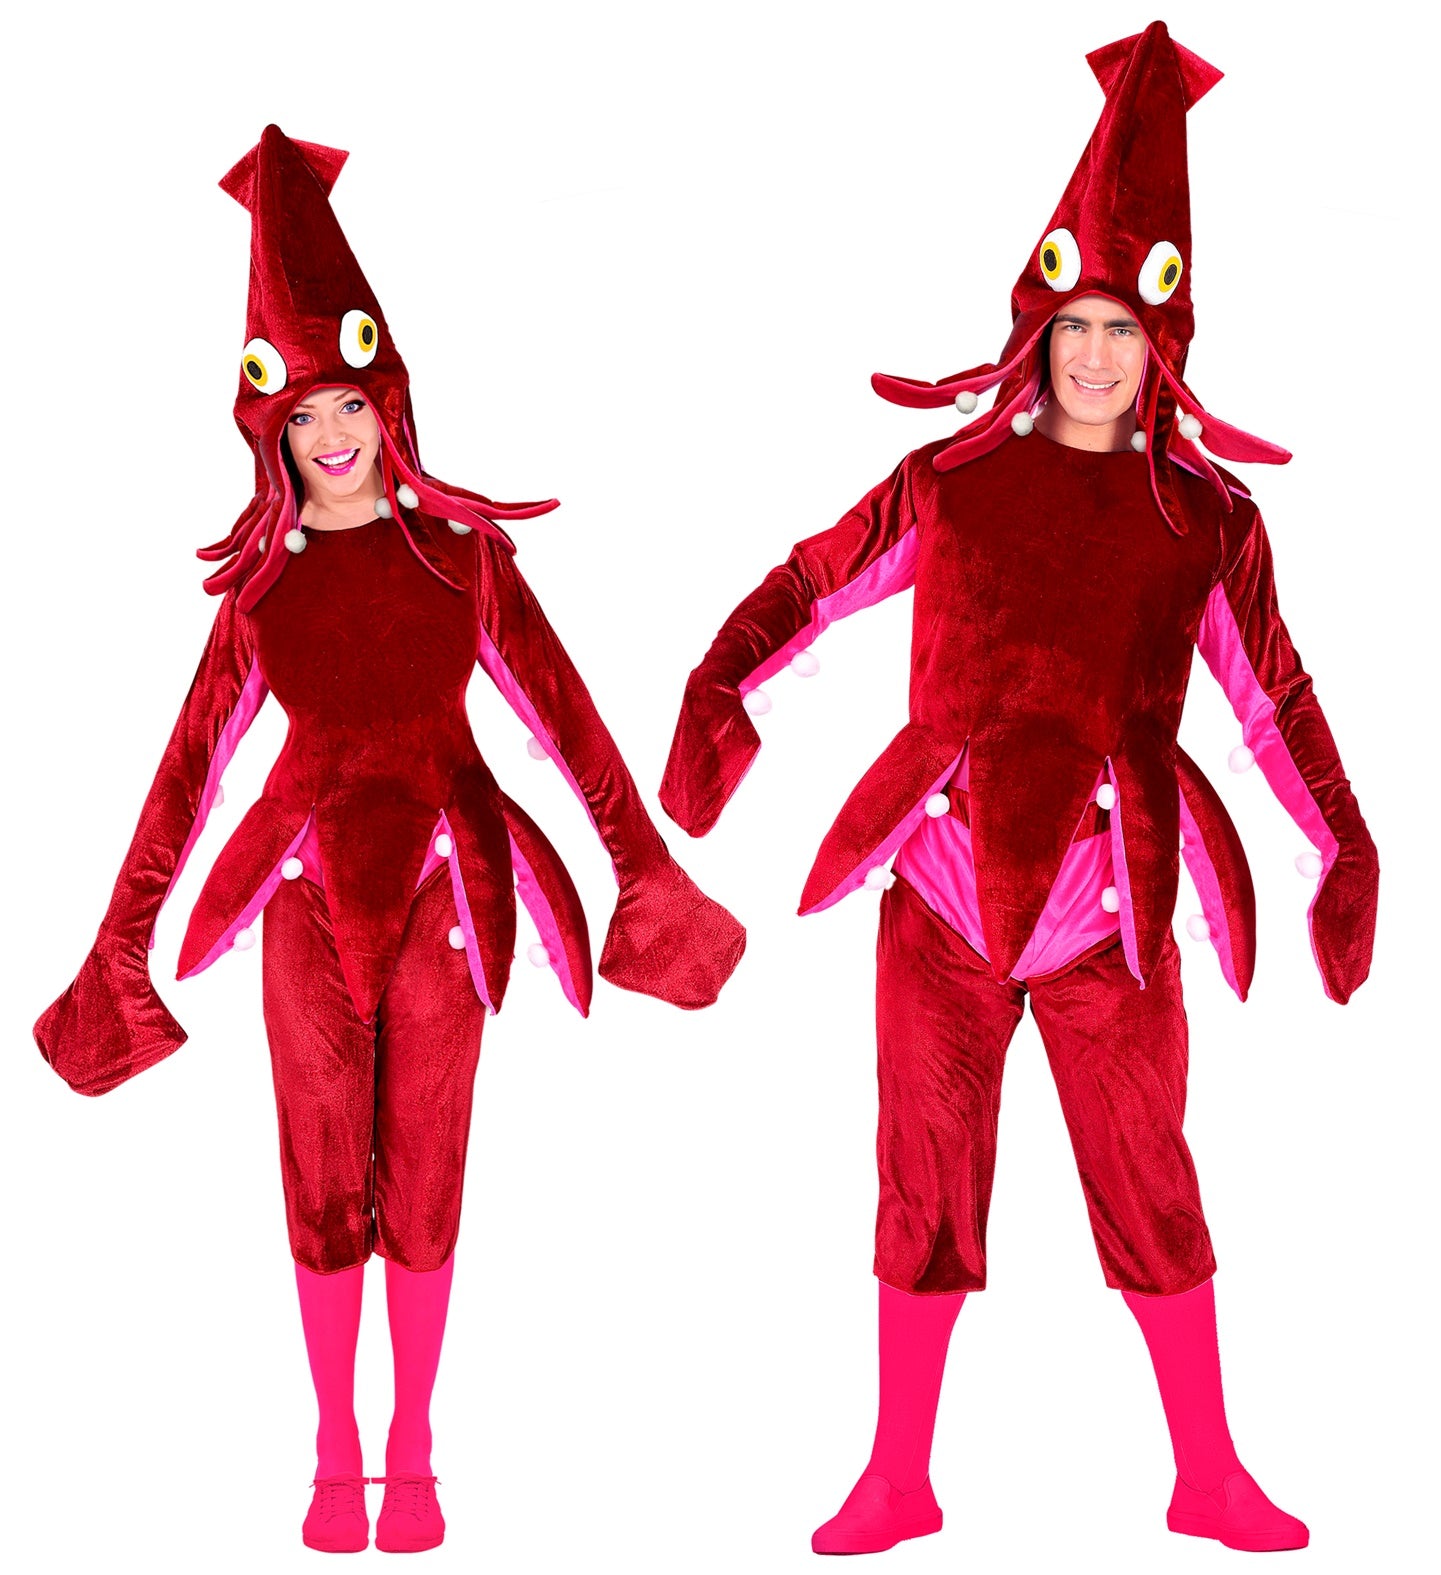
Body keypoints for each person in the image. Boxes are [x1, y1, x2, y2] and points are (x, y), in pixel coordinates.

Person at [659, 24, 1376, 1557]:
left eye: (1124, 326)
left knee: (1149, 1177)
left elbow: (1273, 700)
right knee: (919, 1181)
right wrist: (715, 692)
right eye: (1074, 323)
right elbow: (807, 586)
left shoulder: (1205, 519)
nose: (1095, 353)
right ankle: (896, 1477)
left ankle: (1207, 1473)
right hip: (938, 896)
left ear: (1164, 338)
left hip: (1114, 912)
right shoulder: (950, 484)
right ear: (1033, 323)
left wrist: (1345, 847)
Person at [33, 125, 745, 1556]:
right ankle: (332, 1444)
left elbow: (569, 724)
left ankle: (412, 1445)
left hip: (446, 897)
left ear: (389, 399)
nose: (332, 436)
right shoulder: (259, 597)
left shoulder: (465, 563)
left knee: (426, 1173)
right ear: (269, 431)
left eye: (349, 403)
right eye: (302, 416)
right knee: (315, 1180)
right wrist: (120, 945)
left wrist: (643, 875)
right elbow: (185, 775)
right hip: (301, 903)